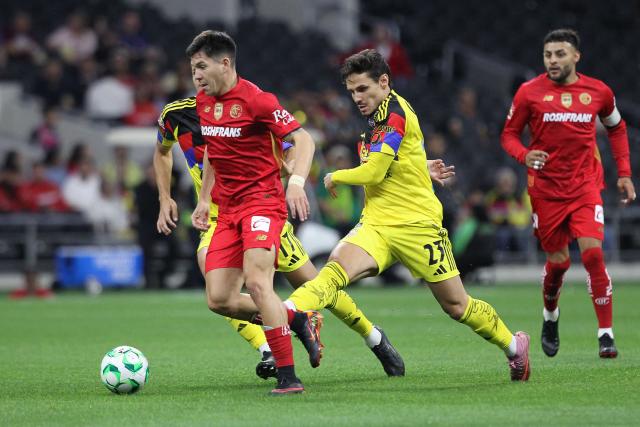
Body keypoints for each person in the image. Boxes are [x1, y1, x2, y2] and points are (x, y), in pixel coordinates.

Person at [157, 32, 444, 392]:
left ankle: (371, 337)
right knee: (220, 293)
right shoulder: (187, 110)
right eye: (193, 68)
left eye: (201, 67)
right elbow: (195, 150)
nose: (195, 75)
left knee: (312, 284)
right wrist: (192, 199)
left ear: (223, 64)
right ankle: (273, 341)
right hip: (220, 213)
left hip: (261, 206)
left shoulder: (255, 100)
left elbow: (296, 141)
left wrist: (294, 177)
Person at [285, 49, 531, 382]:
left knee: (457, 306)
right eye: (352, 91)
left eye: (362, 89)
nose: (357, 98)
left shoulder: (395, 112)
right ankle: (290, 314)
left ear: (383, 82)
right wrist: (421, 166)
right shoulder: (378, 116)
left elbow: (373, 172)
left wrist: (335, 175)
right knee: (334, 271)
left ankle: (514, 346)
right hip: (377, 224)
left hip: (418, 226)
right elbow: (401, 155)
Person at [500, 29, 635, 359]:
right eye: (548, 55)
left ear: (576, 56)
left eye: (560, 54)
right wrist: (524, 155)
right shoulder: (529, 93)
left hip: (586, 186)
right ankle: (550, 316)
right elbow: (509, 135)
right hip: (545, 191)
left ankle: (605, 334)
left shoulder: (598, 91)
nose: (552, 61)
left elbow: (616, 127)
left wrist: (625, 173)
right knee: (558, 264)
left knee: (592, 256)